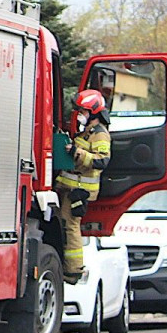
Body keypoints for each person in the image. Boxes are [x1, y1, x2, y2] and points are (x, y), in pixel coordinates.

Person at [55, 89, 112, 284]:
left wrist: (77, 153)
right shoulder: (87, 132)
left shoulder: (100, 135)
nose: (80, 114)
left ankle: (73, 270)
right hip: (71, 187)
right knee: (66, 223)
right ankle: (69, 267)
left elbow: (102, 161)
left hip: (80, 190)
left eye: (84, 111)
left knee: (71, 226)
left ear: (94, 113)